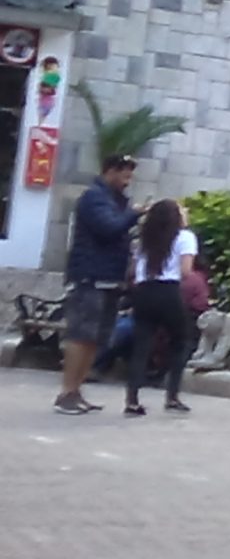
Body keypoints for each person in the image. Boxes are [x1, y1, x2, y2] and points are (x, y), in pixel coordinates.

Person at [56, 155, 139, 415]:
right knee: (81, 336)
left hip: (109, 280)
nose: (127, 183)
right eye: (124, 176)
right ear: (110, 172)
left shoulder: (114, 201)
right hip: (89, 278)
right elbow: (109, 228)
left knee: (96, 339)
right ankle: (66, 392)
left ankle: (77, 390)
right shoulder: (94, 198)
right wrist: (133, 214)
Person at [122, 199, 198, 416]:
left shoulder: (145, 239)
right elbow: (185, 270)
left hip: (144, 291)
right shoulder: (185, 238)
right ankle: (172, 395)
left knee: (141, 345)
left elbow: (134, 269)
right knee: (181, 340)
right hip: (169, 291)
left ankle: (132, 399)